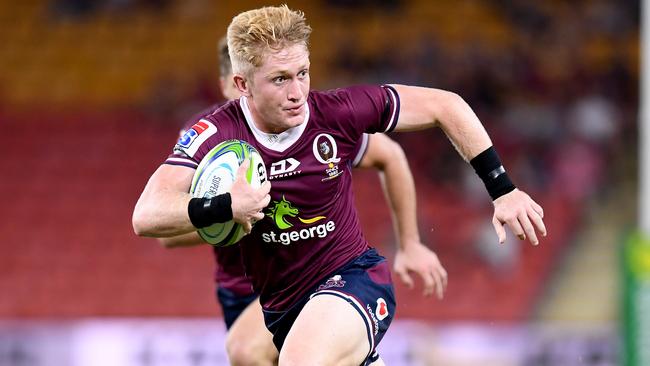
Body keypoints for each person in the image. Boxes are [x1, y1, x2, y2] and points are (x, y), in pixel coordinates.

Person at [132, 5, 546, 365]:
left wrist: (503, 189)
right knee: (255, 350)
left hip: (354, 279)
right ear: (242, 85)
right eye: (279, 80)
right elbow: (146, 215)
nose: (297, 93)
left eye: (303, 73)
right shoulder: (216, 133)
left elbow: (445, 105)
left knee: (288, 359)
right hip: (283, 307)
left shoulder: (337, 113)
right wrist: (226, 205)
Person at [159, 36, 448, 366]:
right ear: (232, 83)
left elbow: (391, 155)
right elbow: (167, 233)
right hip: (243, 289)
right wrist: (230, 214)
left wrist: (410, 242)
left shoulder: (305, 127)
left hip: (307, 274)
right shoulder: (207, 140)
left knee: (248, 350)